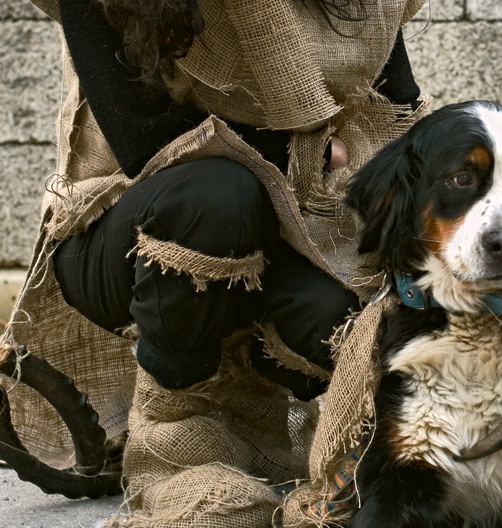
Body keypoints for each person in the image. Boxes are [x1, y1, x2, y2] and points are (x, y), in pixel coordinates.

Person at [1, 0, 427, 525]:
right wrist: (310, 149)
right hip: (127, 229)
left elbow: (399, 115)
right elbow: (145, 140)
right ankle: (171, 444)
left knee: (343, 323)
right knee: (219, 194)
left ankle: (260, 434)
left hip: (295, 231)